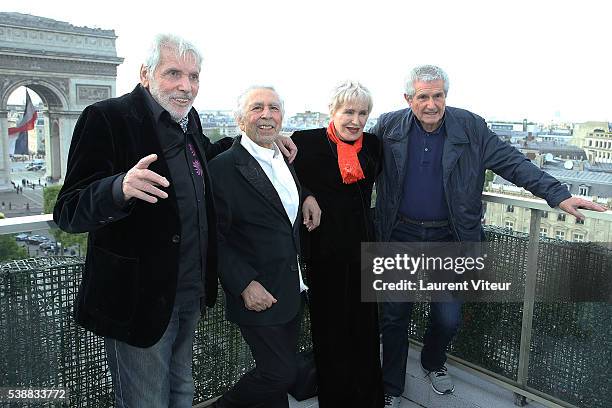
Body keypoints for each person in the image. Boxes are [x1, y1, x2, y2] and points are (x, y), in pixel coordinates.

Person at [53, 35, 296, 408]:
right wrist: (119, 188)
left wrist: (261, 137)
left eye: (194, 77)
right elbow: (68, 210)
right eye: (174, 74)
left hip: (188, 294)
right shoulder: (107, 118)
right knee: (145, 401)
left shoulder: (187, 119)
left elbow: (203, 160)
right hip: (138, 300)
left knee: (182, 392)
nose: (186, 86)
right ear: (146, 74)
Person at [371, 65, 607, 407]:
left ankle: (432, 361)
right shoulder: (389, 126)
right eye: (423, 96)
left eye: (438, 95)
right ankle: (391, 387)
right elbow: (352, 155)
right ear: (409, 99)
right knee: (394, 316)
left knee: (448, 317)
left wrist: (558, 194)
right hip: (399, 233)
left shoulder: (470, 126)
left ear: (446, 96)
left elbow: (513, 163)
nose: (432, 104)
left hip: (450, 237)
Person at [209, 86, 320, 408]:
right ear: (240, 119)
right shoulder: (223, 168)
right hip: (257, 290)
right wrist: (243, 283)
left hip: (290, 287)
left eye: (273, 108)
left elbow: (282, 195)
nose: (267, 115)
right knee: (280, 373)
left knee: (276, 374)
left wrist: (307, 195)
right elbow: (214, 237)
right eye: (257, 108)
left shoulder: (283, 157)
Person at [291, 80, 384, 408]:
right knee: (330, 332)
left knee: (365, 330)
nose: (355, 120)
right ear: (332, 111)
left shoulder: (373, 145)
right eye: (348, 111)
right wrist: (306, 196)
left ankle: (369, 400)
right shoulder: (305, 142)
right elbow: (279, 173)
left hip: (363, 251)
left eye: (362, 113)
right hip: (325, 253)